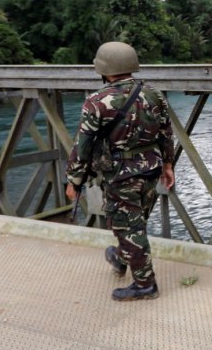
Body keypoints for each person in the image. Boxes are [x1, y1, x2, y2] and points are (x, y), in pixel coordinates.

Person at [66, 42, 175, 302]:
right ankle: (120, 256)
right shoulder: (153, 94)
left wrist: (74, 180)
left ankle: (145, 285)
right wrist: (168, 165)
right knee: (134, 223)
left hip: (120, 173)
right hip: (150, 168)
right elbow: (165, 133)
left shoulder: (96, 102)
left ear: (103, 68)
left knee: (128, 226)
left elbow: (82, 147)